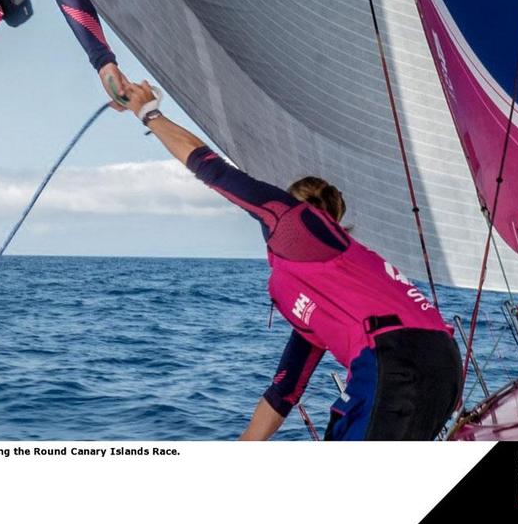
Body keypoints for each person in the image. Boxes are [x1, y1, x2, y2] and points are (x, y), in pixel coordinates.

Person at [122, 80, 462, 441]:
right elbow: (284, 391)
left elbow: (213, 170)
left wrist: (149, 113)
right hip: (443, 371)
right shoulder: (333, 283)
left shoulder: (294, 224)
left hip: (395, 362)